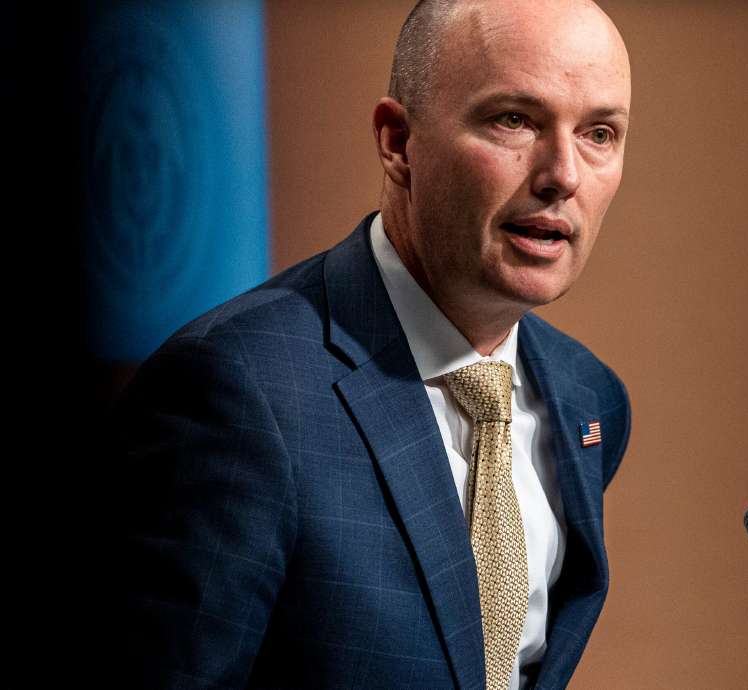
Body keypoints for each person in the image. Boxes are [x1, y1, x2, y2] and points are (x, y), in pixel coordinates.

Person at [110, 1, 633, 688]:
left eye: (599, 132)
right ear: (397, 141)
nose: (562, 174)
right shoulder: (236, 389)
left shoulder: (587, 396)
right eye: (515, 120)